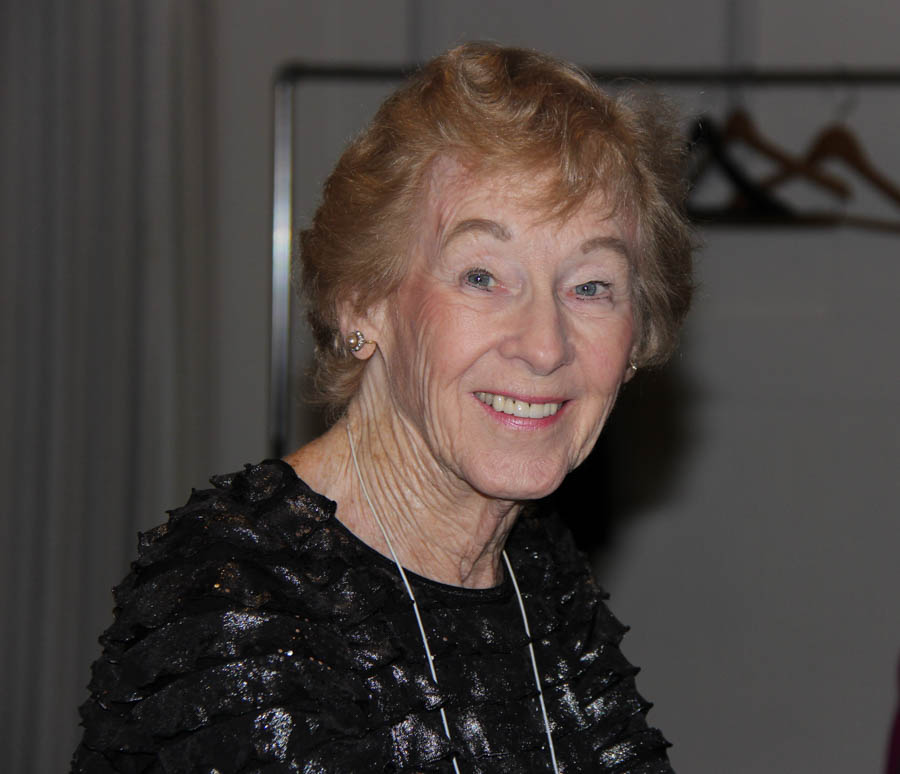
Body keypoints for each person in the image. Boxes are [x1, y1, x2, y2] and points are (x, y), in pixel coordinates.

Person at [72, 42, 694, 773]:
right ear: (362, 300)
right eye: (483, 276)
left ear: (636, 339)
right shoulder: (237, 603)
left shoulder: (540, 578)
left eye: (591, 286)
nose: (544, 345)